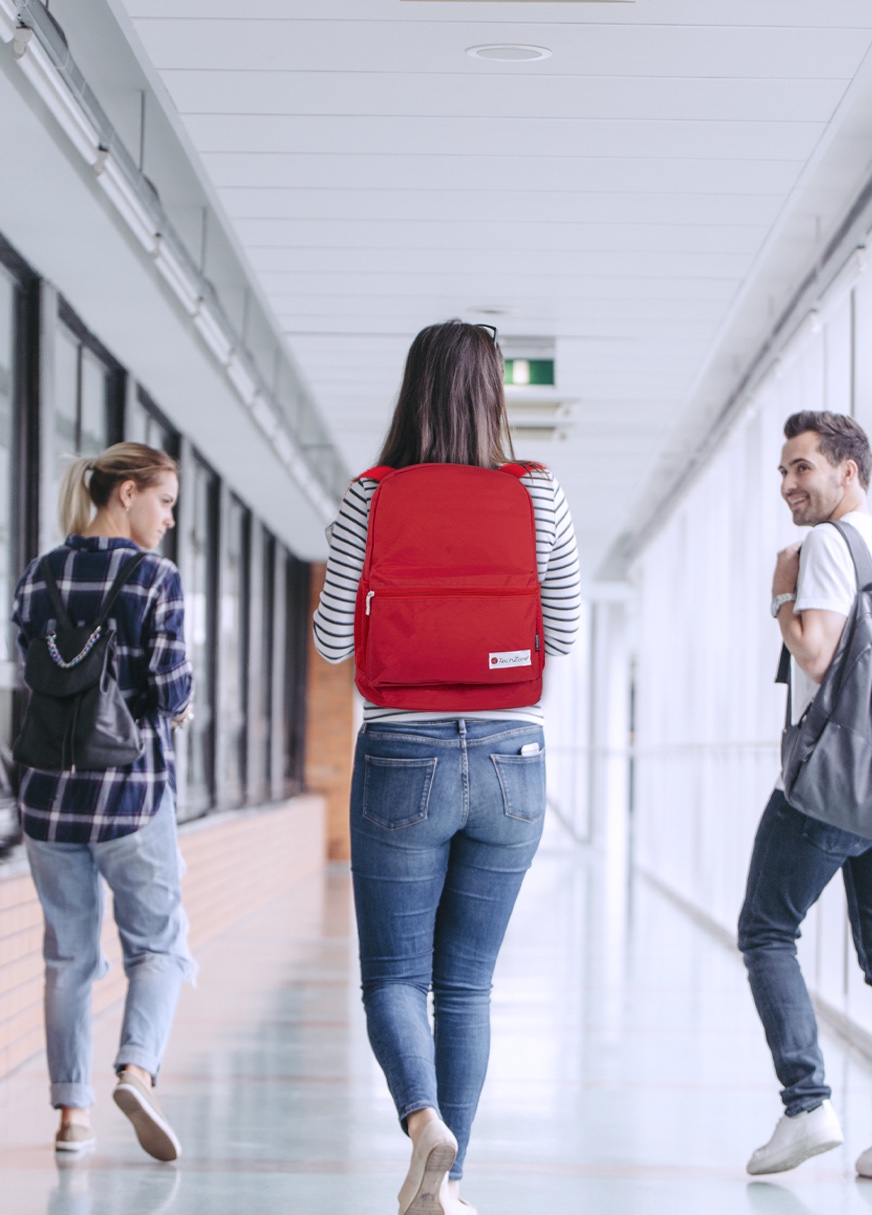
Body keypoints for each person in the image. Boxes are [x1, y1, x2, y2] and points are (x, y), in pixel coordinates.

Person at [313, 320, 581, 1215]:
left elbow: (327, 641)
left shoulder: (372, 493)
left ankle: (424, 1120)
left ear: (414, 387)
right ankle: (452, 1184)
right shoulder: (539, 493)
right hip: (515, 755)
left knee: (395, 976)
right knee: (468, 980)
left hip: (400, 747)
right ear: (495, 393)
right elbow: (571, 630)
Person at [738, 411, 872, 1185]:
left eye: (802, 468)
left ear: (847, 471)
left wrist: (781, 596)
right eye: (784, 471)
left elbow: (816, 652)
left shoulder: (827, 544)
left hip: (831, 781)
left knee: (765, 930)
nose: (789, 484)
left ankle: (806, 1099)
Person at [12, 442, 195, 1160]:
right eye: (165, 501)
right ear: (125, 493)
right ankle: (137, 1069)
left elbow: (32, 672)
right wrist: (171, 707)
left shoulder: (38, 575)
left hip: (47, 802)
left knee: (68, 958)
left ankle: (71, 1118)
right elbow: (173, 686)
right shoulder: (155, 578)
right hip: (131, 794)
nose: (169, 519)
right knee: (159, 946)